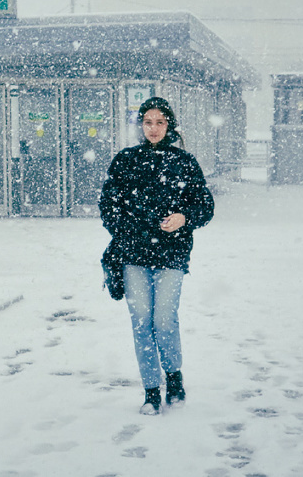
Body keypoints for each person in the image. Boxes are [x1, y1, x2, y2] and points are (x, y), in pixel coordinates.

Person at [99, 96, 215, 415]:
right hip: (133, 255)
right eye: (148, 122)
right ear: (141, 125)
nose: (153, 128)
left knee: (163, 319)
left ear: (170, 125)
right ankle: (151, 389)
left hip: (172, 255)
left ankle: (173, 376)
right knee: (141, 321)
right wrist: (129, 231)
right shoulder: (125, 161)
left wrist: (184, 218)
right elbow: (108, 206)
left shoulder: (184, 162)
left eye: (160, 122)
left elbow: (204, 205)